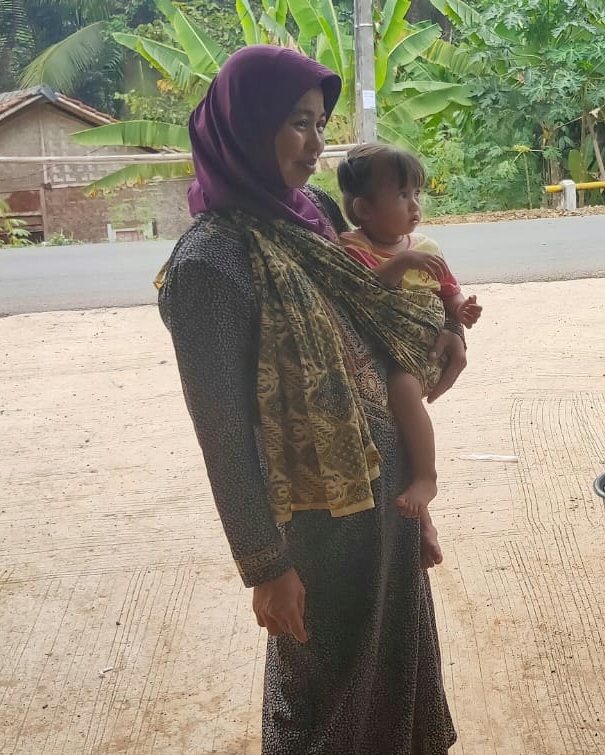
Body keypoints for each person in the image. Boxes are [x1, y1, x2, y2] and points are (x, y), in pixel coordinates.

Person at [157, 45, 464, 754]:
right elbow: (223, 434)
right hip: (313, 525)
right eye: (298, 122)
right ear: (247, 124)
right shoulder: (209, 265)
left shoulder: (313, 212)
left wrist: (446, 335)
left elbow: (369, 328)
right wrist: (265, 565)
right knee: (321, 698)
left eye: (321, 123)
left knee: (399, 665)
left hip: (385, 490)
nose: (317, 143)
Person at [336, 143, 482, 536]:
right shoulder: (353, 248)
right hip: (387, 355)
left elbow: (448, 291)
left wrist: (461, 313)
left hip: (426, 356)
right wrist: (401, 262)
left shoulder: (427, 248)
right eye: (402, 195)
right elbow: (365, 291)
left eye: (416, 193)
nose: (415, 205)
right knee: (399, 397)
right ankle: (422, 492)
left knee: (402, 389)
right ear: (364, 209)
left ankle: (426, 478)